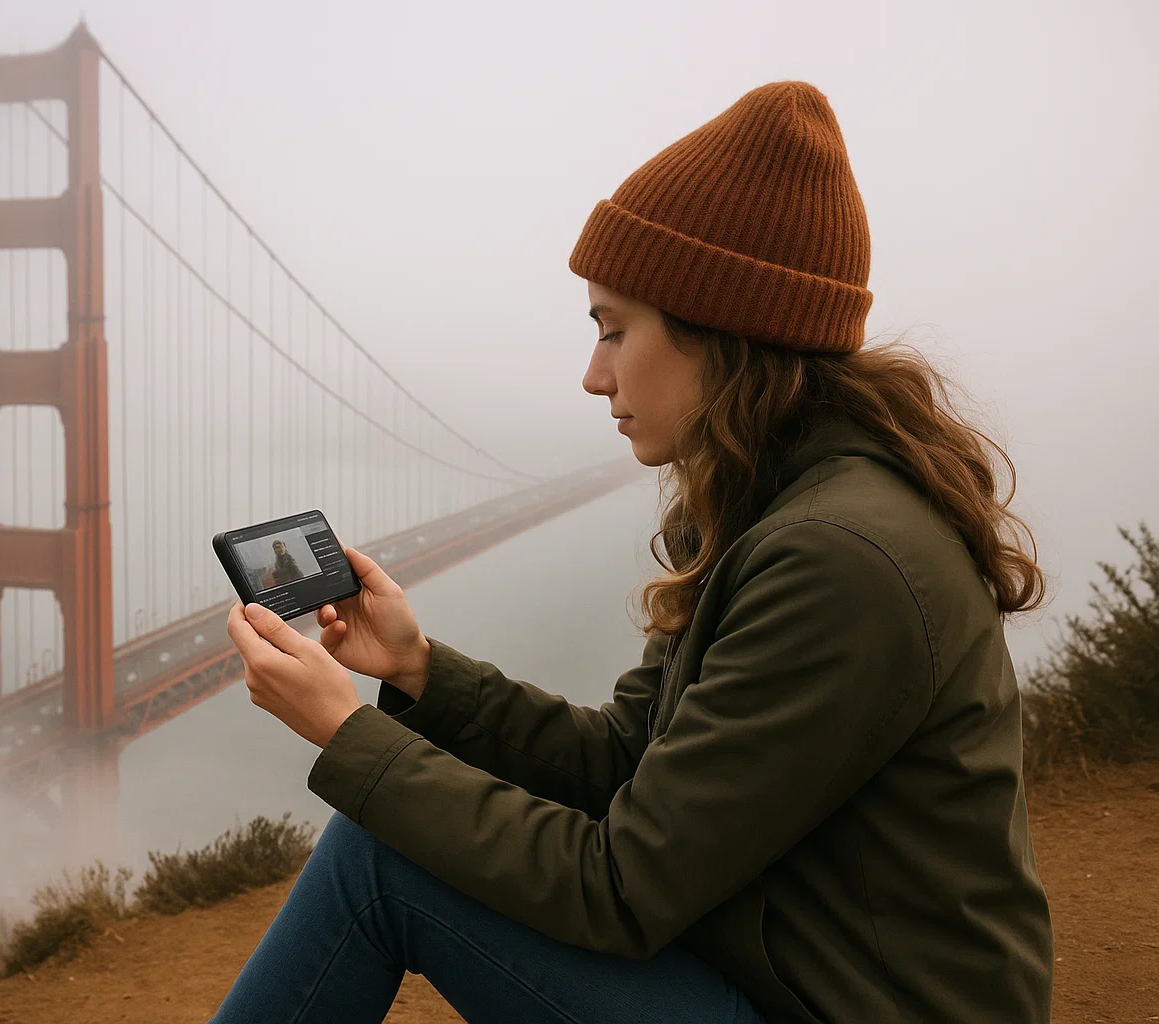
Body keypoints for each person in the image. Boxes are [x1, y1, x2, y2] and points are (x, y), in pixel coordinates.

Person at [220, 80, 1053, 1024]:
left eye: (615, 329)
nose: (594, 374)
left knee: (375, 860)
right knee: (378, 846)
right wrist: (418, 671)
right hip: (795, 975)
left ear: (724, 332)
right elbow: (630, 760)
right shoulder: (769, 507)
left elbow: (617, 886)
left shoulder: (839, 560)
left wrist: (346, 732)